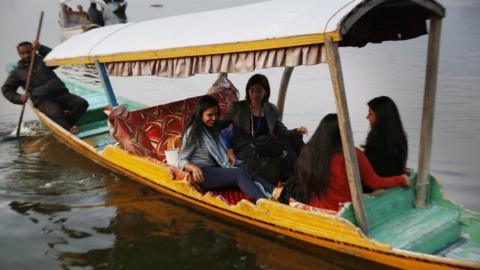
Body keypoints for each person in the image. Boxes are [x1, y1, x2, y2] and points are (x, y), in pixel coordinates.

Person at [290, 114, 410, 211]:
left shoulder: (308, 151)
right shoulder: (352, 154)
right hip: (343, 211)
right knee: (377, 194)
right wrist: (401, 179)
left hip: (317, 208)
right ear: (343, 132)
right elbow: (375, 182)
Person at [177, 95, 274, 201]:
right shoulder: (193, 132)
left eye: (216, 114)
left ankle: (276, 192)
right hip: (202, 174)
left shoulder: (212, 129)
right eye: (210, 115)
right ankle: (264, 201)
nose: (214, 118)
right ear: (200, 114)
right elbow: (181, 160)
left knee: (244, 167)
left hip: (215, 168)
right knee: (238, 174)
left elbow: (219, 148)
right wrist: (193, 168)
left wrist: (228, 151)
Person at [218, 74, 307, 183]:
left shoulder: (271, 109)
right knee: (285, 145)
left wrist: (297, 131)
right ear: (248, 91)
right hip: (245, 149)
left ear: (266, 92)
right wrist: (227, 148)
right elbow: (219, 125)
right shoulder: (237, 107)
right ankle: (301, 176)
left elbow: (282, 132)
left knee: (295, 138)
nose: (255, 95)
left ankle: (307, 170)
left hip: (264, 145)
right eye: (252, 91)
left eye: (259, 91)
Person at [2, 41, 89, 134]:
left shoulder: (43, 60)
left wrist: (41, 48)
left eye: (28, 52)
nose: (26, 55)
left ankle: (67, 123)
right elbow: (6, 89)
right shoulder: (17, 72)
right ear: (19, 54)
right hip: (43, 100)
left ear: (33, 50)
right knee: (55, 113)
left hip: (60, 93)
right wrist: (19, 98)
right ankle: (69, 131)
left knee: (81, 103)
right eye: (23, 53)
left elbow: (56, 59)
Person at [364, 96, 408, 177]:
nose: (367, 117)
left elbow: (373, 174)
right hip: (394, 184)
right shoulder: (399, 138)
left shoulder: (378, 142)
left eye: (371, 114)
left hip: (379, 186)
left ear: (381, 117)